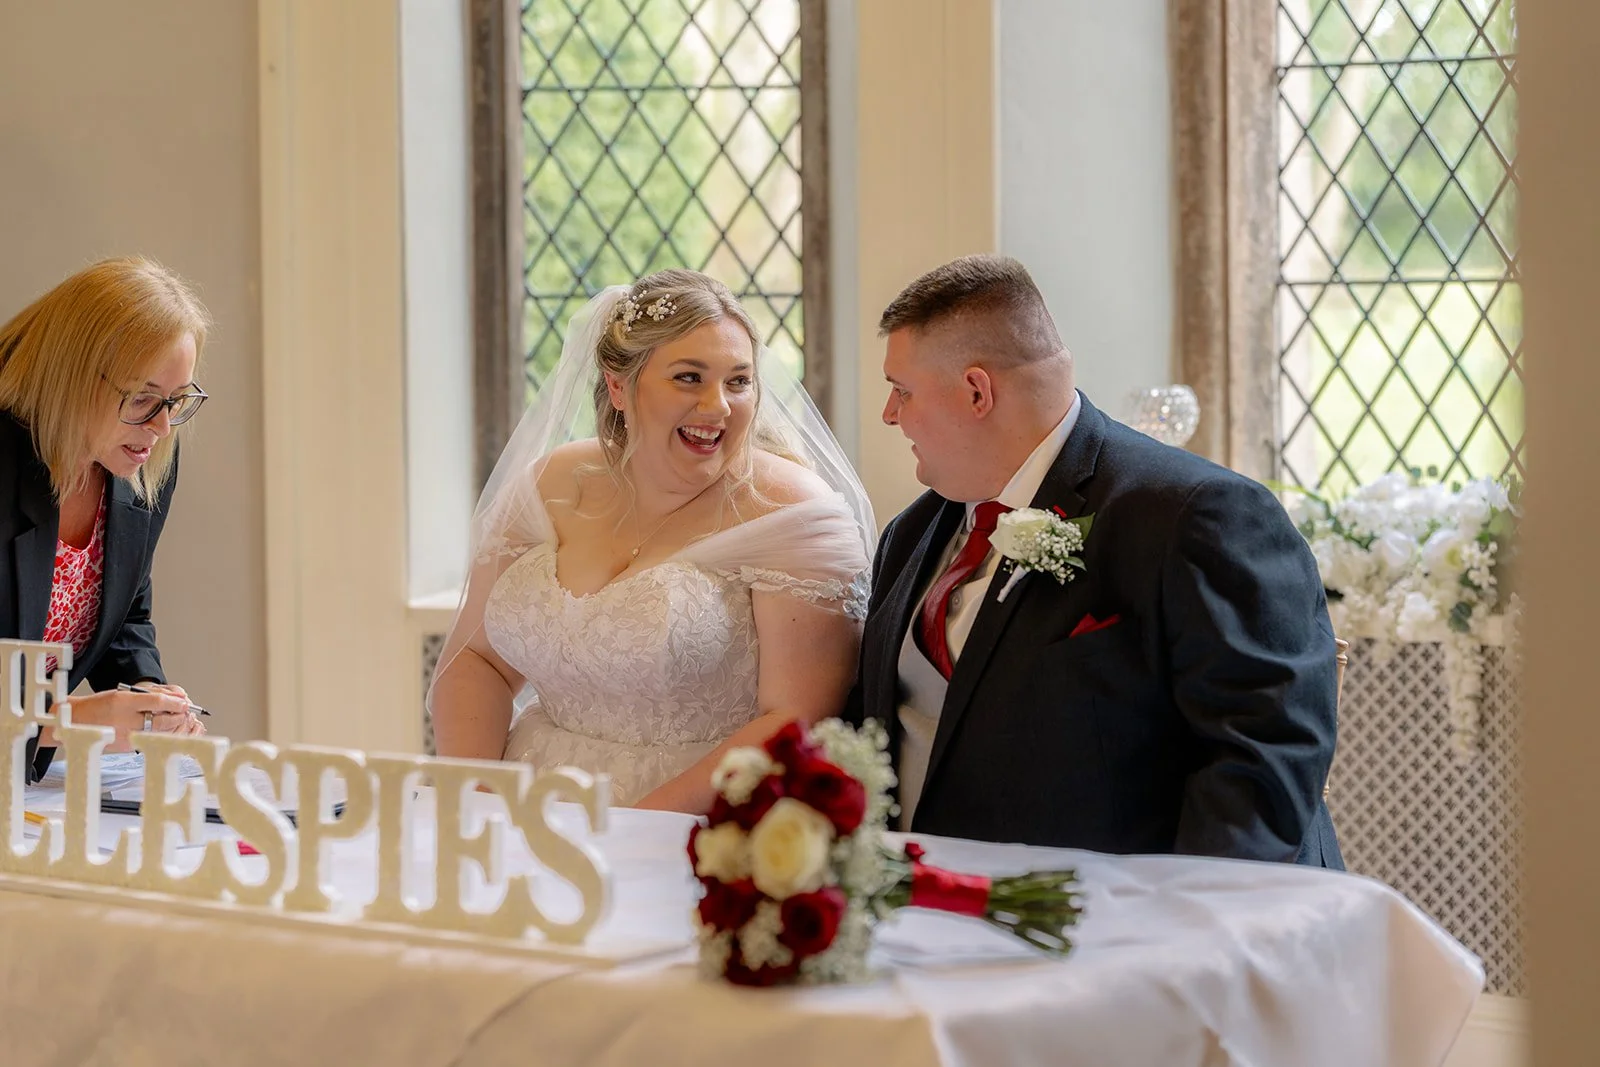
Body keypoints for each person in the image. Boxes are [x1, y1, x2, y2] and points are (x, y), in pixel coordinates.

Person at [842, 254, 1342, 866]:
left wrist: (1175, 932)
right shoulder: (913, 532)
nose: (891, 415)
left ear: (977, 391)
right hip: (932, 924)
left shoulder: (1197, 517)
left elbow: (1262, 756)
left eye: (902, 391)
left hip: (1125, 927)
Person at [429, 269, 874, 811]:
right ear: (619, 385)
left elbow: (793, 720)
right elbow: (477, 660)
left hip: (695, 822)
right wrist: (477, 803)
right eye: (689, 378)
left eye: (738, 381)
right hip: (530, 807)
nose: (718, 407)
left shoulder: (790, 513)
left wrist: (630, 833)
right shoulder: (552, 484)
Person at [0, 256, 209, 777]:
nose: (162, 427)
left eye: (177, 400)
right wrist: (62, 722)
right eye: (142, 399)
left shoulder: (140, 451)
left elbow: (123, 615)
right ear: (70, 377)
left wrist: (146, 695)